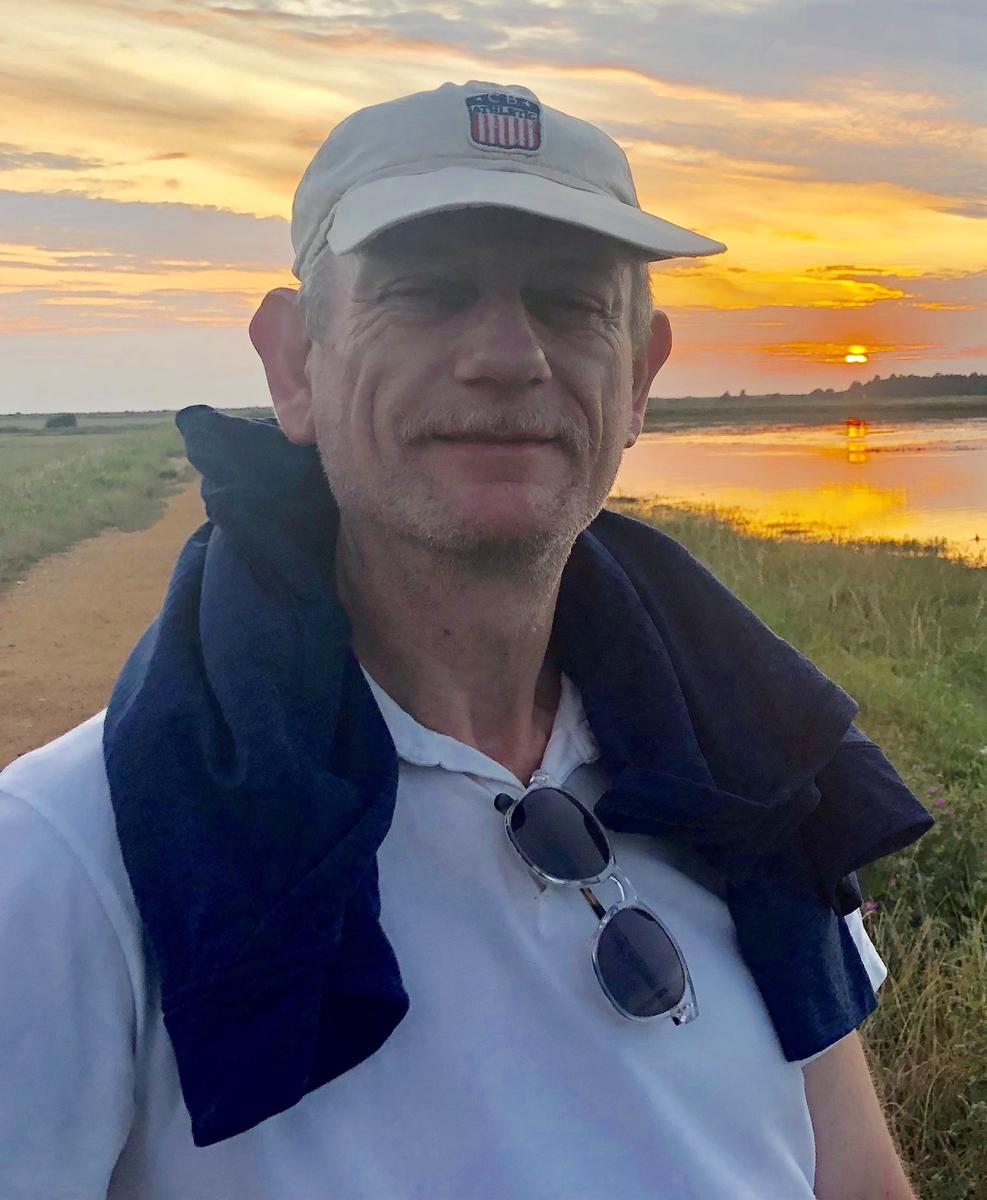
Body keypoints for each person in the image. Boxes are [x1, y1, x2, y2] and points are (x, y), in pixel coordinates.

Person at [0, 81, 932, 1200]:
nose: (508, 355)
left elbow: (856, 1178)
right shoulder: (75, 856)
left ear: (640, 376)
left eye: (570, 301)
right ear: (295, 365)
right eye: (427, 292)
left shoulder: (749, 767)